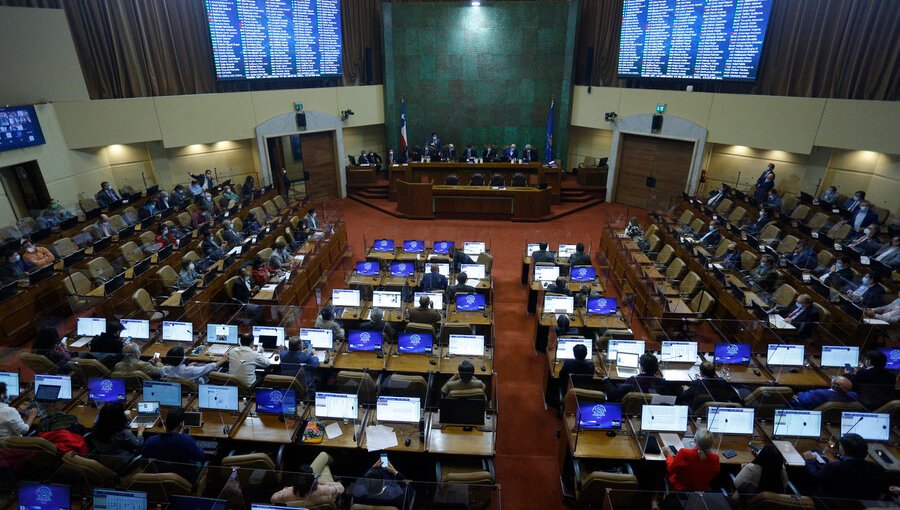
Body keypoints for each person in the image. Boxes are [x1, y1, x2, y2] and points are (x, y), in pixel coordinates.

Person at [802, 433, 885, 500]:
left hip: (832, 504)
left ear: (843, 451)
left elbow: (814, 477)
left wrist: (809, 461)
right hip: (863, 506)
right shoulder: (878, 469)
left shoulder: (835, 467)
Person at [141, 409, 205, 480]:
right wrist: (197, 445)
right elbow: (200, 456)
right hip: (184, 478)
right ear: (181, 425)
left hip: (159, 477)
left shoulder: (151, 440)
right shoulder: (186, 440)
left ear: (164, 423)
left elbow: (144, 459)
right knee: (199, 463)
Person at [270, 452, 344, 505]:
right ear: (313, 480)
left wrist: (287, 489)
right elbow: (341, 487)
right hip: (321, 488)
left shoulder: (285, 494)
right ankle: (337, 462)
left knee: (324, 465)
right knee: (324, 456)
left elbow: (273, 499)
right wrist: (322, 483)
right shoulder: (325, 490)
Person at [90, 402, 144, 468]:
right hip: (123, 464)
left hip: (104, 462)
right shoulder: (123, 432)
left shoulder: (96, 429)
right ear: (120, 416)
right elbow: (138, 445)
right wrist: (140, 432)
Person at [160, 346, 227, 383]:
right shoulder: (191, 370)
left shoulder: (164, 370)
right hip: (197, 389)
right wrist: (223, 360)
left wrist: (188, 367)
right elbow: (208, 367)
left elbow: (179, 372)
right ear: (182, 359)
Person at [792, 376, 857, 409]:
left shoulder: (819, 394)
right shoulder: (853, 396)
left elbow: (801, 400)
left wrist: (798, 394)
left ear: (833, 385)